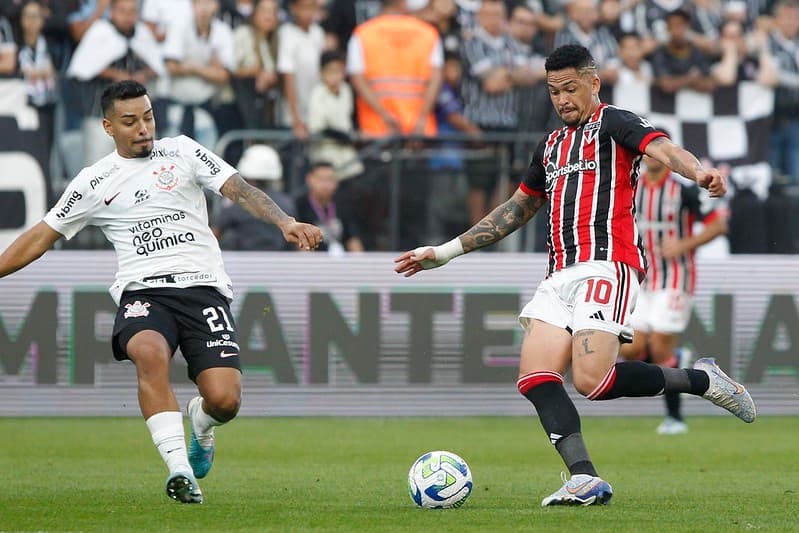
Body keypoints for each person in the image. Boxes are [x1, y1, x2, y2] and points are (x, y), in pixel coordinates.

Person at [395, 44, 756, 507]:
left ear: (593, 84)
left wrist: (699, 173)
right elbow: (518, 207)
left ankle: (703, 381)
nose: (562, 99)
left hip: (608, 263)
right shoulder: (549, 145)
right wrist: (445, 252)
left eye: (570, 88)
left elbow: (662, 147)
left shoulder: (615, 123)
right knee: (534, 378)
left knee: (592, 381)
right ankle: (584, 478)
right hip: (559, 273)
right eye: (553, 91)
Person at [0, 80, 322, 503]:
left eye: (148, 117)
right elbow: (42, 236)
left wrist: (285, 222)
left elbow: (238, 189)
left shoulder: (184, 151)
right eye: (130, 122)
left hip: (204, 290)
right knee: (149, 354)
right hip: (143, 293)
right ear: (108, 126)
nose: (143, 129)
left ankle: (202, 423)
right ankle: (179, 470)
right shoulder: (94, 181)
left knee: (224, 400)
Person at [619, 153, 729, 435]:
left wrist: (683, 244)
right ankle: (677, 359)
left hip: (676, 279)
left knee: (658, 347)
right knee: (630, 349)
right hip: (640, 279)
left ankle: (675, 418)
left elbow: (718, 225)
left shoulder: (684, 190)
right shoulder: (631, 187)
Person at [211, 143, 297, 250]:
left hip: (240, 263)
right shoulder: (286, 202)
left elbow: (214, 234)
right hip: (279, 263)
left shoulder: (236, 202)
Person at [294, 161, 365, 253]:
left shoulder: (343, 205)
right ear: (309, 179)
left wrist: (358, 262)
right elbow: (300, 245)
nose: (325, 184)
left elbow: (353, 239)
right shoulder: (300, 207)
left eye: (329, 179)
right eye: (320, 179)